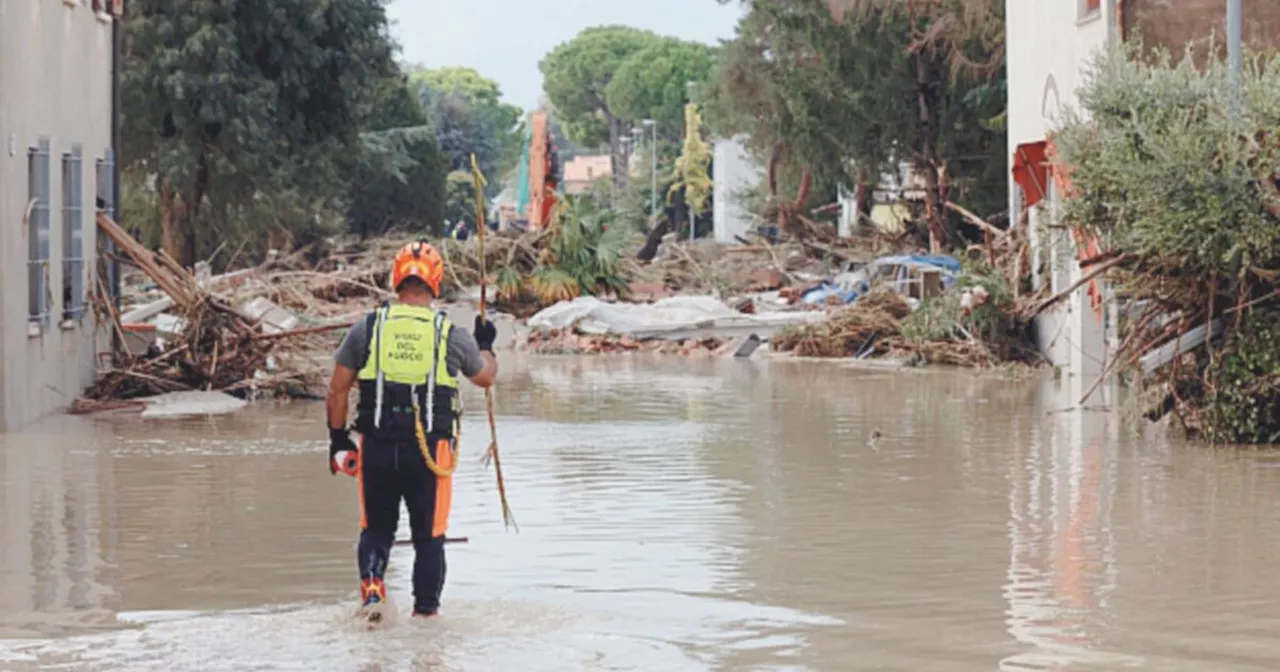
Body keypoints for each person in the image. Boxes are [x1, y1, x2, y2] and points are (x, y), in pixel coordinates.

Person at [325, 239, 498, 620]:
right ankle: (426, 619)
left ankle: (372, 590)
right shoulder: (450, 334)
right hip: (430, 453)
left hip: (377, 448)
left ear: (396, 280)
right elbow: (484, 378)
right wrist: (486, 345)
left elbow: (337, 390)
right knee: (429, 538)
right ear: (436, 282)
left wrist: (338, 439)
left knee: (376, 529)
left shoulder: (368, 328)